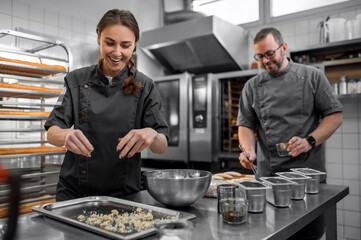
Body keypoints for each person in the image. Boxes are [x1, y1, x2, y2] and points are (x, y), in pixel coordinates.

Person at [45, 9, 168, 201]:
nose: (117, 52)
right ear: (98, 38)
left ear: (134, 45)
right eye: (110, 43)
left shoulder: (146, 86)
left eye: (126, 45)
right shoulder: (76, 80)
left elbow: (161, 146)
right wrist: (65, 135)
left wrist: (152, 135)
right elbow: (52, 133)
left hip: (125, 197)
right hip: (75, 194)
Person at [237, 28, 343, 239]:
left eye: (270, 54)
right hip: (268, 179)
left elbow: (335, 116)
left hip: (307, 179)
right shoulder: (251, 87)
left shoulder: (312, 77)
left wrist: (309, 141)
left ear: (284, 47)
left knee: (308, 234)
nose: (265, 61)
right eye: (259, 57)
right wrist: (248, 150)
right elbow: (246, 125)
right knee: (271, 233)